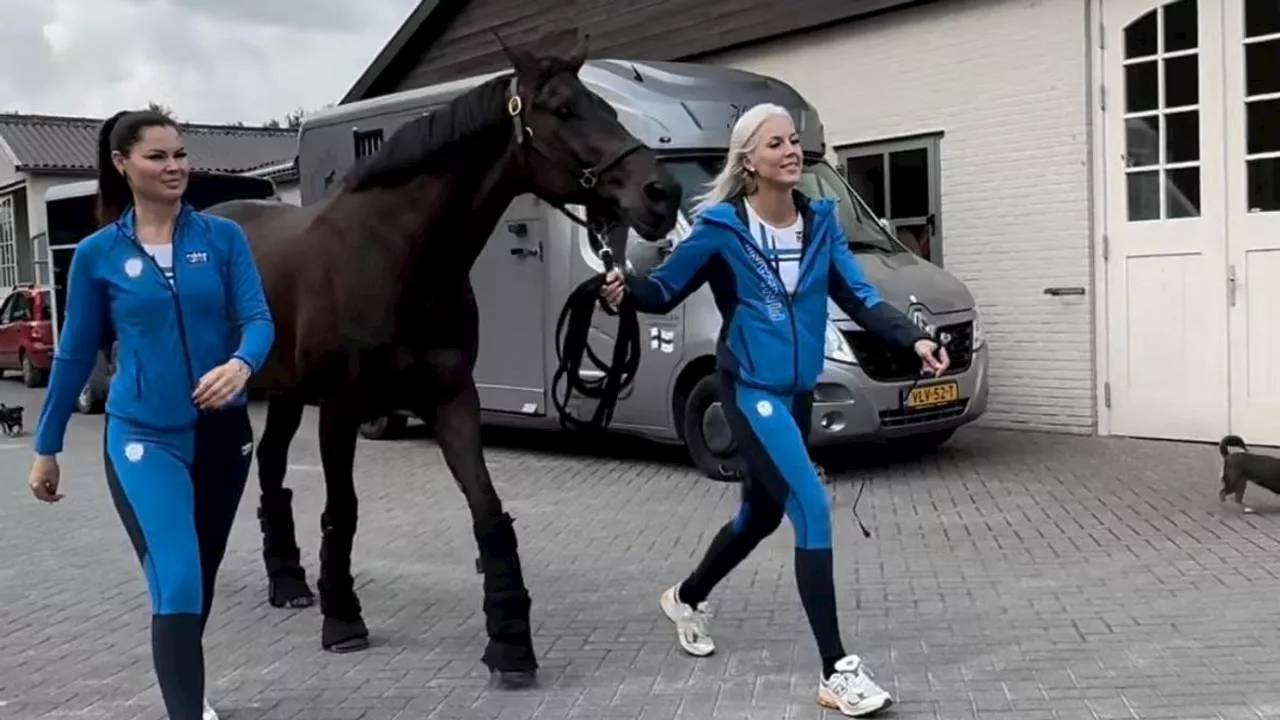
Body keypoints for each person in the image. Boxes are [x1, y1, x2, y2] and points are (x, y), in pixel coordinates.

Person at [600, 103, 949, 718]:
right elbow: (663, 290)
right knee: (811, 505)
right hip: (750, 390)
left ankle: (687, 596)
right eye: (775, 143)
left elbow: (862, 297)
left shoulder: (821, 224)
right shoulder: (720, 230)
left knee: (761, 515)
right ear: (748, 162)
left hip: (799, 391)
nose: (791, 150)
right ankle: (837, 670)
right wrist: (625, 291)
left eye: (794, 141)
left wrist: (912, 337)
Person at [27, 109, 274, 720]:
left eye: (180, 154)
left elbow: (259, 320)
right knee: (179, 573)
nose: (175, 167)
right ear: (122, 164)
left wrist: (241, 365)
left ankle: (185, 684)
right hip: (143, 438)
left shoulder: (222, 239)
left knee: (201, 576)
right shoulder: (98, 255)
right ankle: (186, 710)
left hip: (222, 434)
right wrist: (46, 445)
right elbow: (76, 353)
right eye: (158, 156)